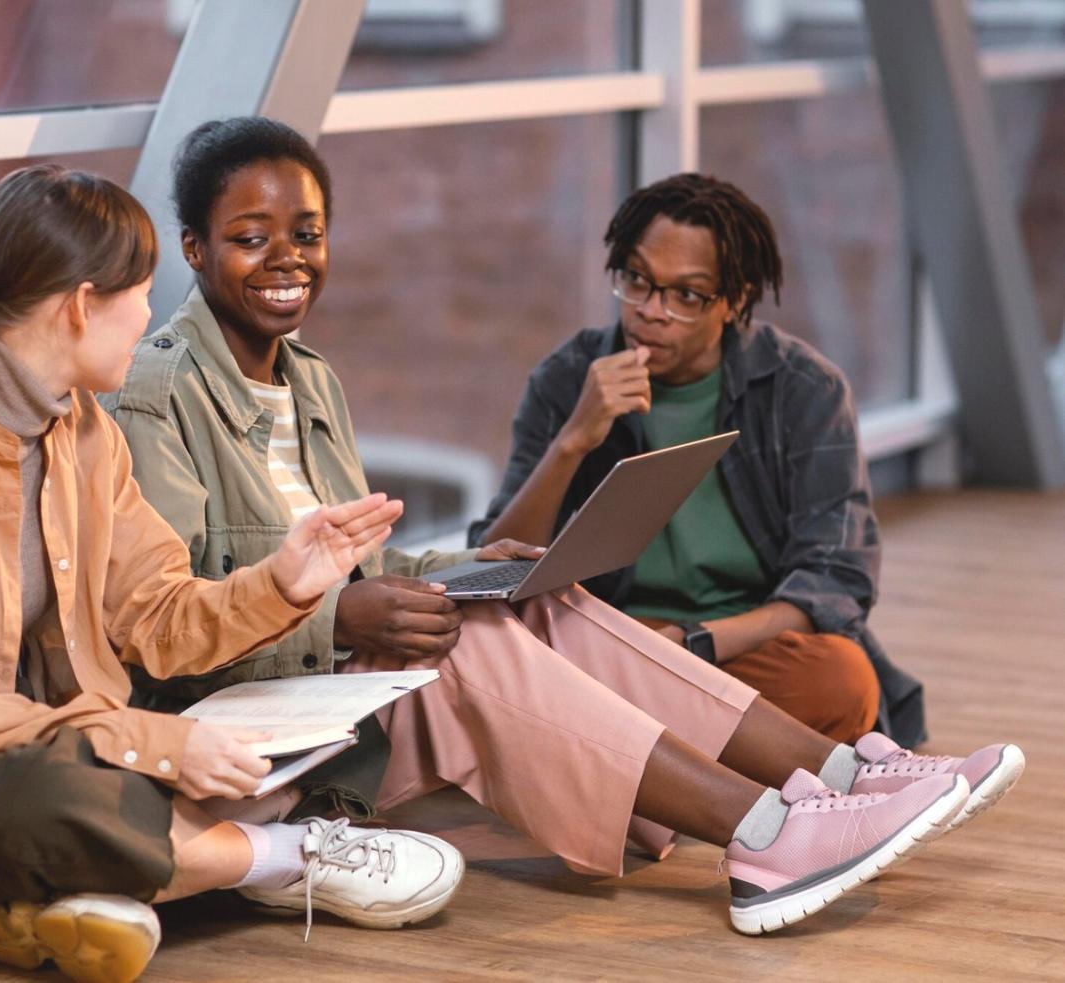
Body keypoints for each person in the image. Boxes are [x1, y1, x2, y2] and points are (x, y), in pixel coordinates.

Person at [107, 116, 1025, 937]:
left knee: (540, 595)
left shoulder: (309, 378)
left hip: (330, 689)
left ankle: (851, 775)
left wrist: (474, 561)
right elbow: (174, 620)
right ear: (193, 247)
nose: (287, 259)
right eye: (250, 238)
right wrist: (346, 619)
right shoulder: (156, 392)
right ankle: (773, 834)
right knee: (471, 645)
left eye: (306, 234)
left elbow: (356, 561)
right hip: (235, 725)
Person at [0, 164, 467, 983]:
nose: (148, 314)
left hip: (43, 749)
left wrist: (285, 579)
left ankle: (74, 890)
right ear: (78, 304)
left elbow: (160, 615)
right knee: (70, 799)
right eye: (138, 293)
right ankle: (281, 857)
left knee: (326, 739)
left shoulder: (77, 426)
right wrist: (158, 746)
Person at [471, 173, 921, 747]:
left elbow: (835, 580)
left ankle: (628, 760)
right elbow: (492, 571)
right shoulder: (567, 380)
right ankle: (699, 763)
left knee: (840, 682)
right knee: (509, 663)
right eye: (638, 281)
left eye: (686, 295)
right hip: (607, 647)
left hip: (736, 647)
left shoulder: (803, 389)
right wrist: (572, 443)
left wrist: (691, 642)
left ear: (733, 302)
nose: (651, 312)